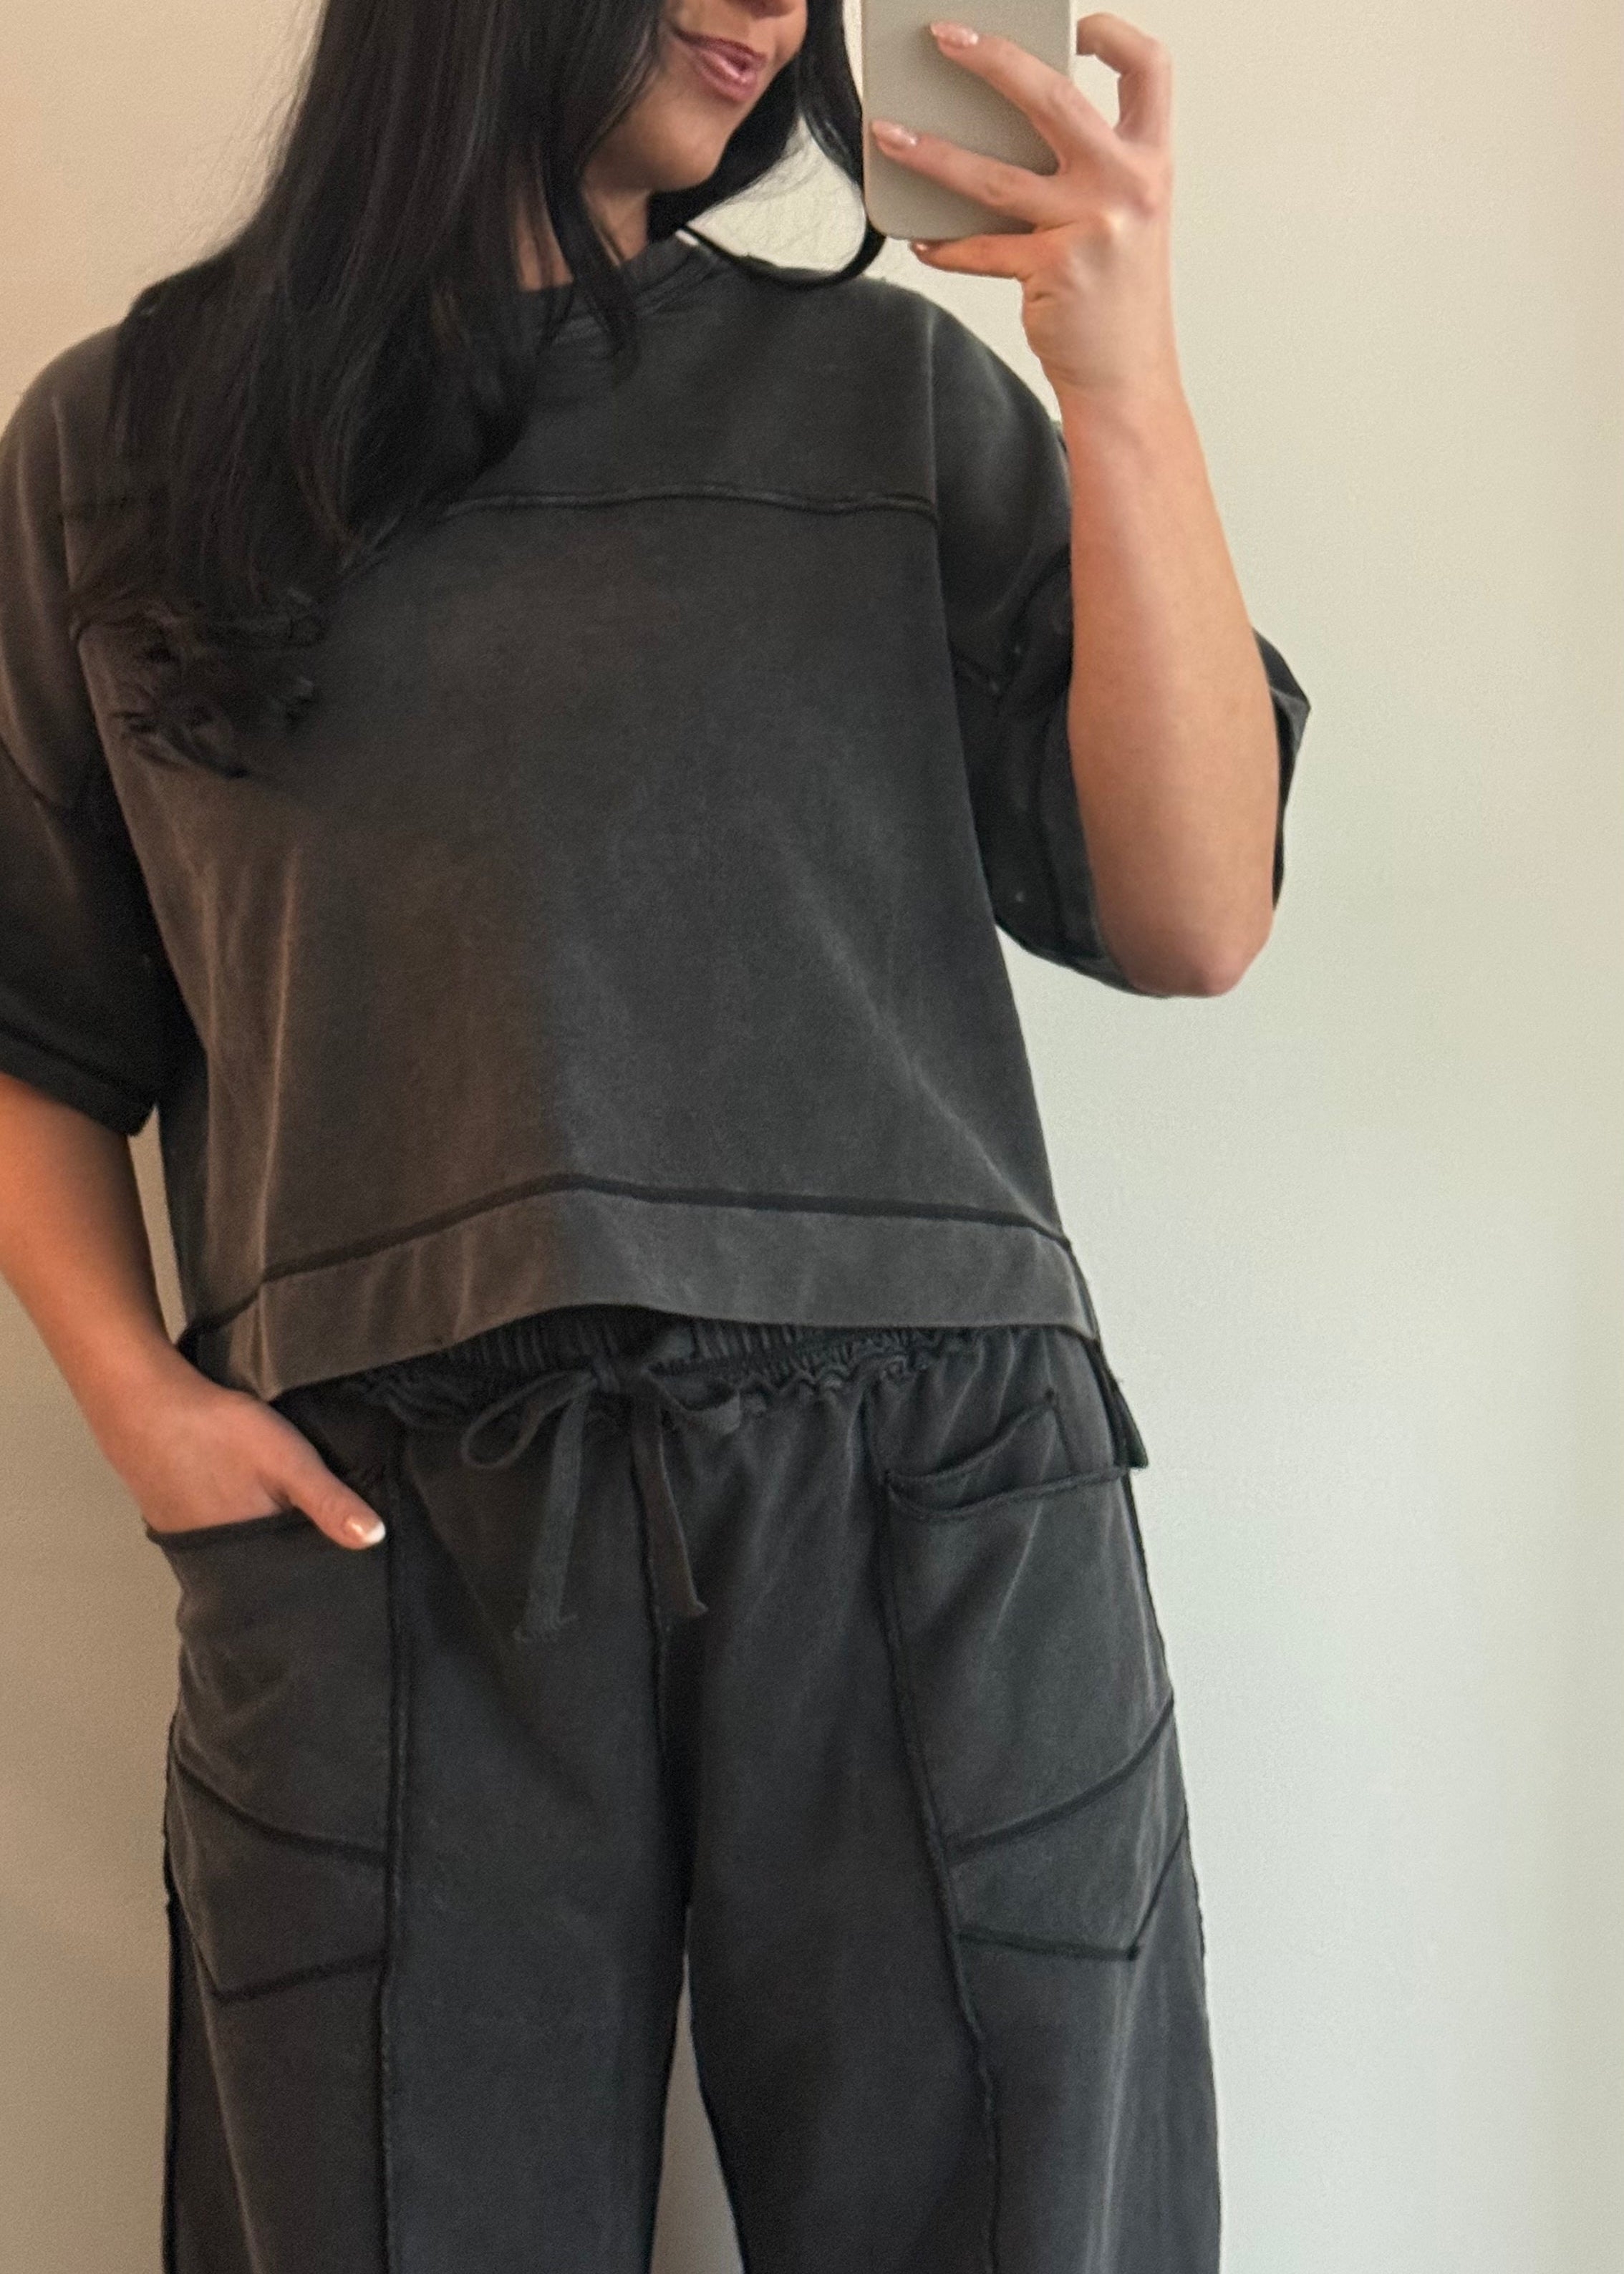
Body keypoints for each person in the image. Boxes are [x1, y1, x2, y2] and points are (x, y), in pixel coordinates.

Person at [0, 2, 1308, 2268]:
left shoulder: (885, 399)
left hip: (926, 1494)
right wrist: (140, 1409)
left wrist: (1117, 376)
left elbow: (1194, 914)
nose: (769, 9)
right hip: (381, 1523)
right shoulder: (129, 443)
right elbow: (34, 1013)